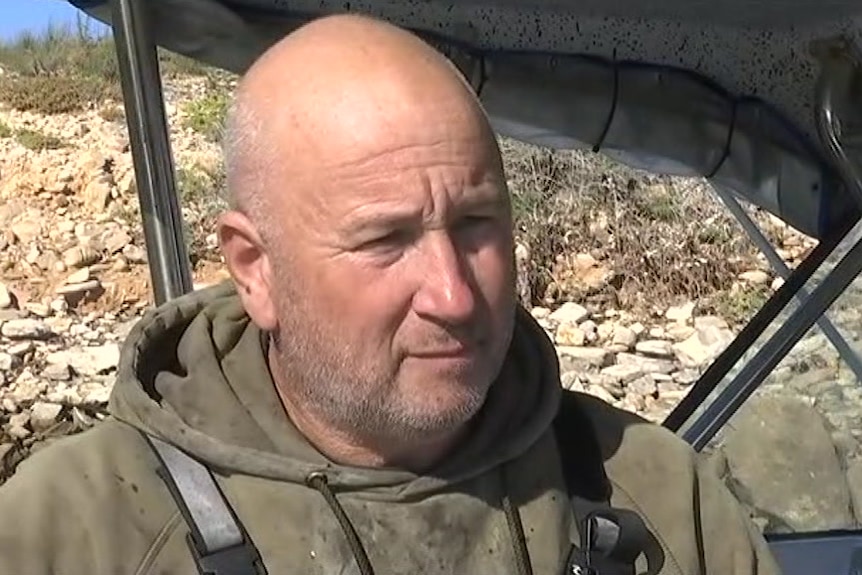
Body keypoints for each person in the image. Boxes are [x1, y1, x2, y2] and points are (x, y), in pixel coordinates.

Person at [0, 14, 779, 575]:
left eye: (476, 223)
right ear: (255, 268)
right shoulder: (75, 532)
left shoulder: (658, 497)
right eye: (385, 240)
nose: (453, 293)